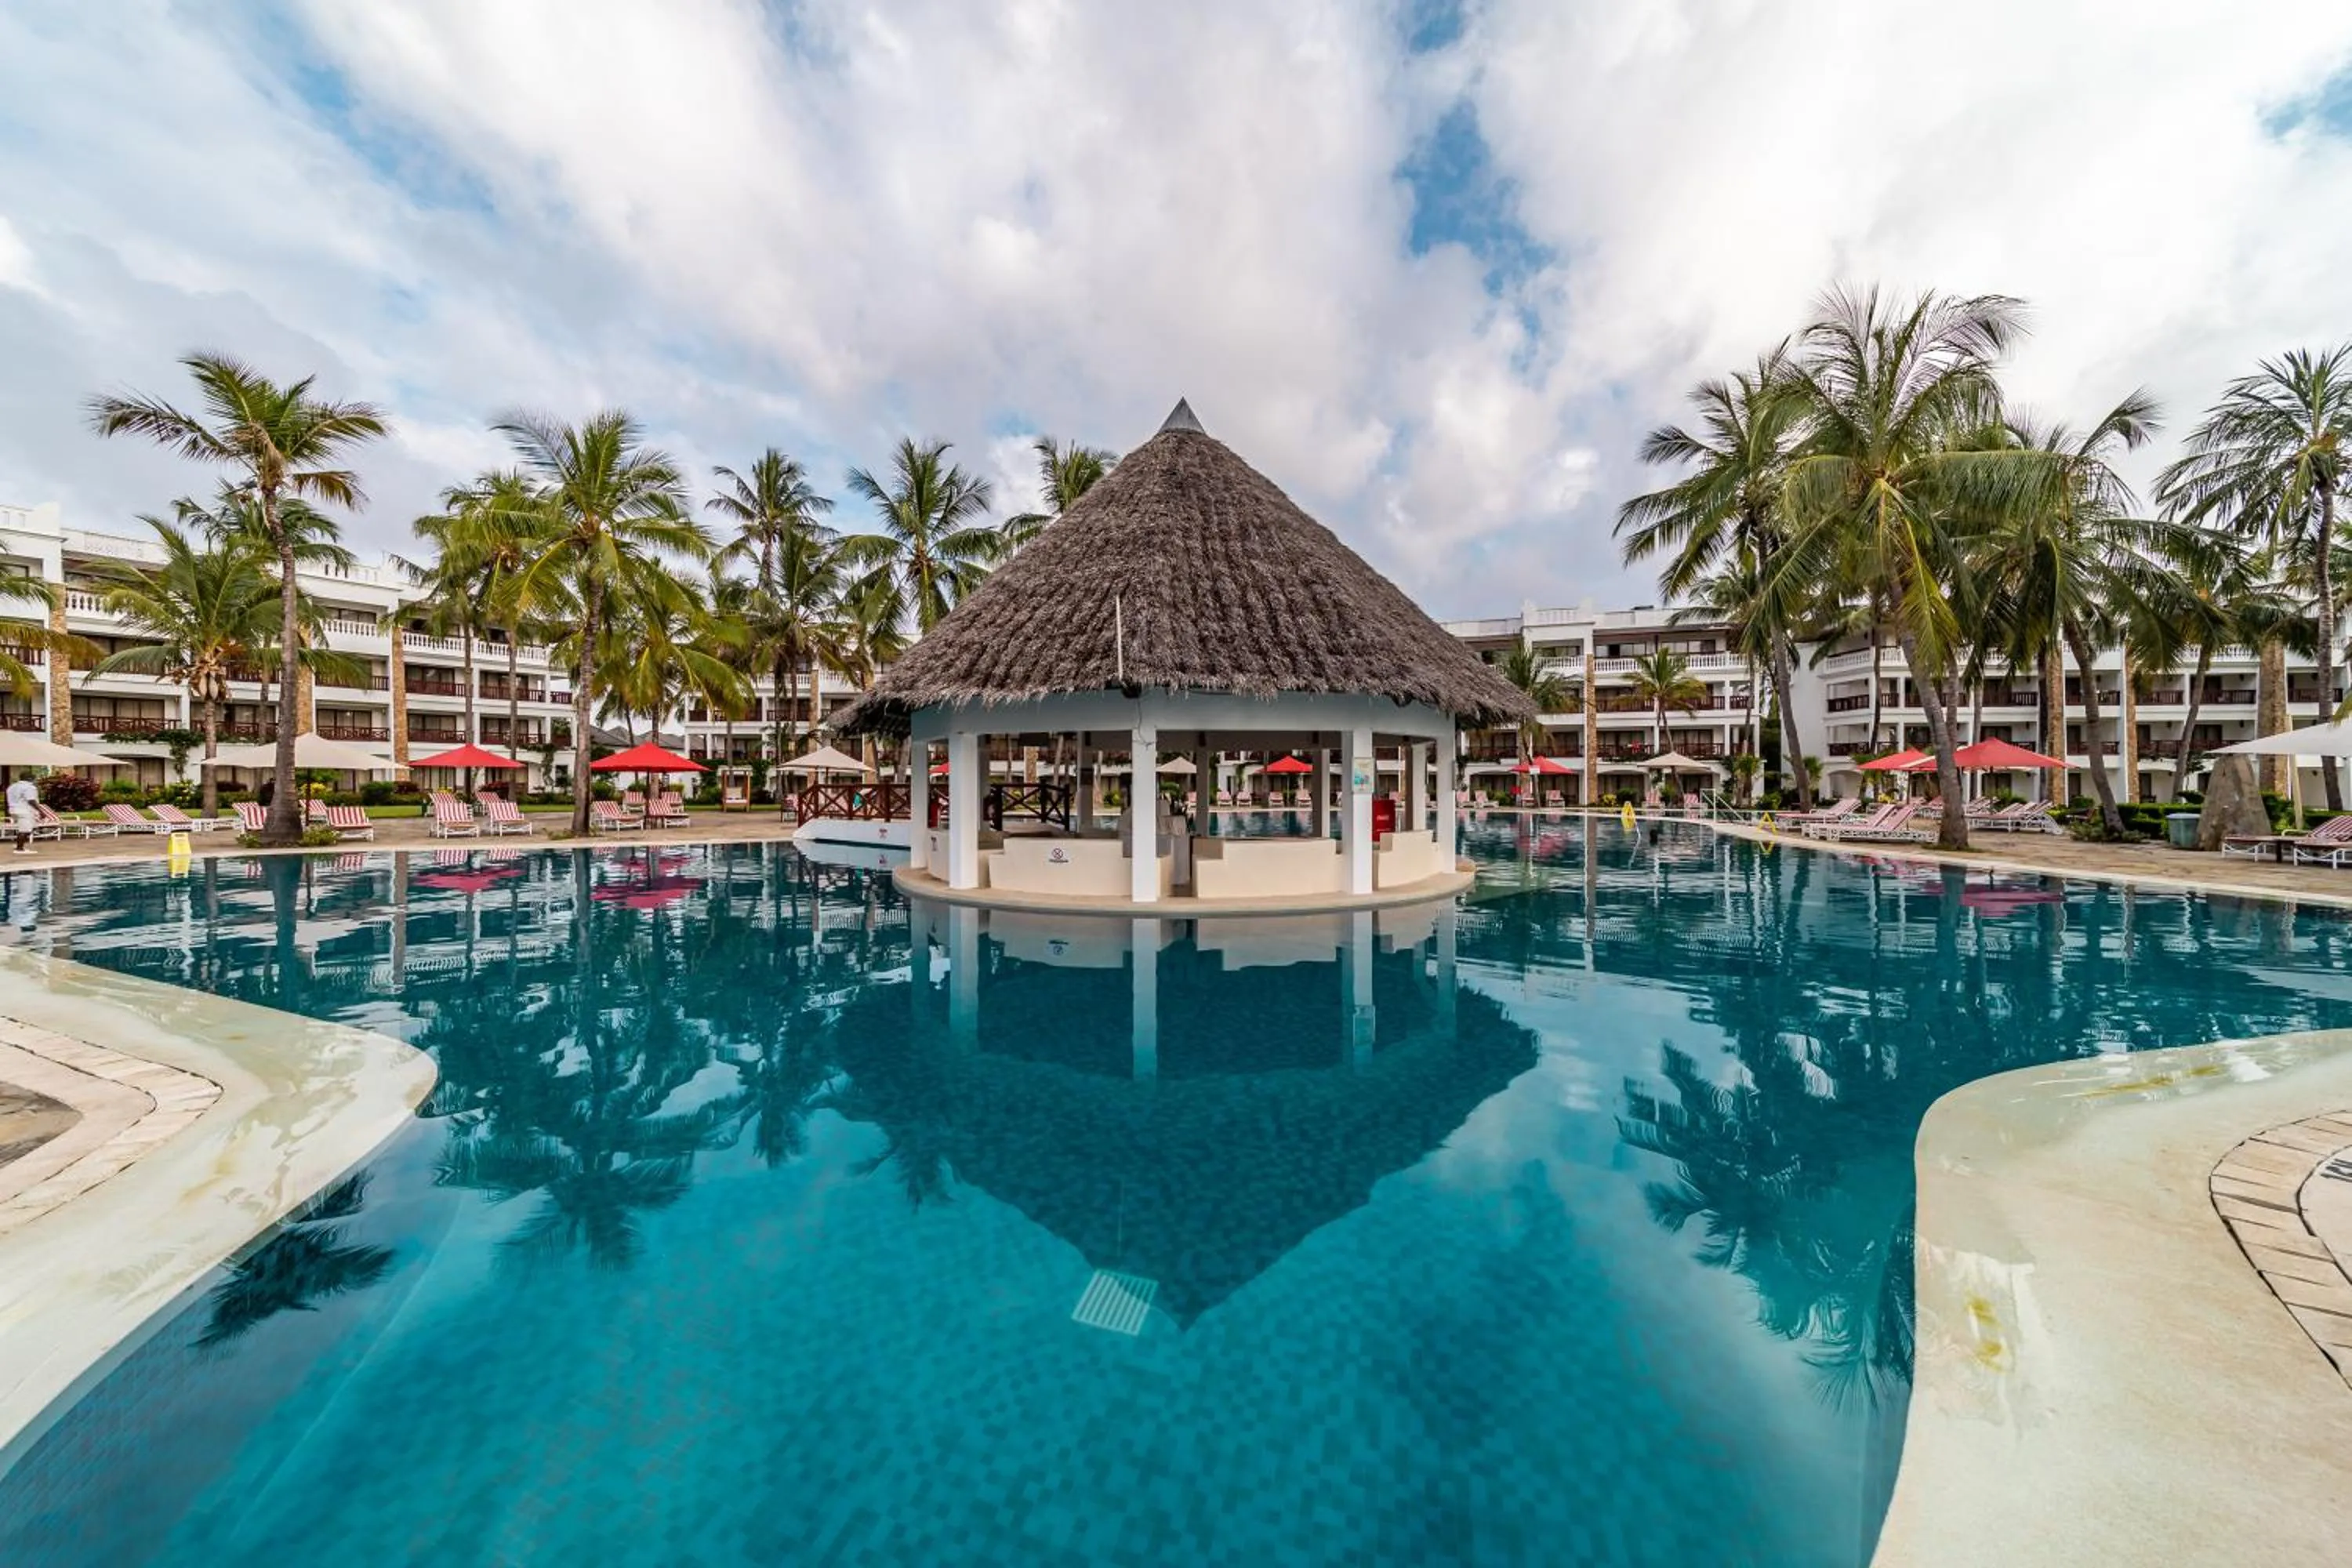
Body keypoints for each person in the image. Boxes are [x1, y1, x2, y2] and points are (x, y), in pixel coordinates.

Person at [7, 773, 41, 854]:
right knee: (26, 830)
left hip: (13, 810)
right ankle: (19, 848)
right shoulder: (29, 787)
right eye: (34, 779)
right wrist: (40, 810)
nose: (35, 781)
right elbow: (31, 800)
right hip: (25, 810)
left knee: (23, 828)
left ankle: (19, 844)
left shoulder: (12, 787)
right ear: (30, 779)